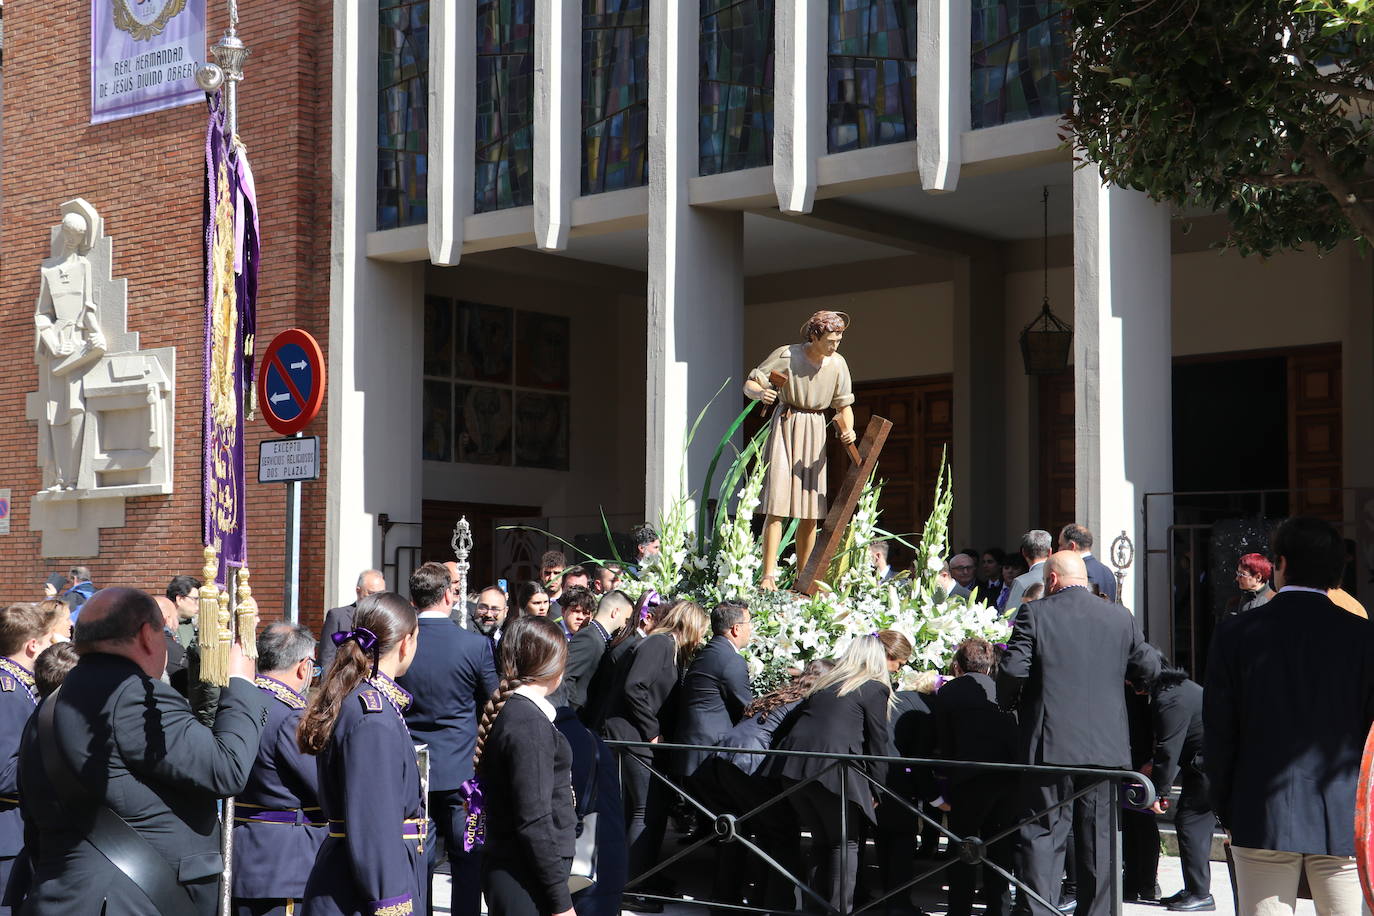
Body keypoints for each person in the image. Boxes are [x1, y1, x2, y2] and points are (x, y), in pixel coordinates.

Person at [16, 587, 265, 915]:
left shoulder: (50, 704)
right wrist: (241, 683)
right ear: (148, 635)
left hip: (64, 895)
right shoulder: (139, 696)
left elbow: (34, 817)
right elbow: (225, 769)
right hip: (133, 900)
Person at [1204, 517, 1374, 916]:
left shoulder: (1235, 633)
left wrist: (1227, 807)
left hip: (1262, 810)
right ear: (1338, 569)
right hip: (1343, 810)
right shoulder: (1364, 638)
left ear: (1279, 563)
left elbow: (1220, 731)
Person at [997, 551, 1160, 916]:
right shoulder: (1120, 616)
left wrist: (1008, 704)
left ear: (1051, 580)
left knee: (1042, 834)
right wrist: (1134, 685)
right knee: (1099, 839)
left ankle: (1038, 911)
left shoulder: (1035, 613)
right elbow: (1149, 667)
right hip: (1105, 748)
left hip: (1050, 744)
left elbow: (1013, 670)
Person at [298, 592, 427, 916]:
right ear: (406, 642)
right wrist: (390, 902)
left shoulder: (370, 701)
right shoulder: (374, 717)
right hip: (362, 891)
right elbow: (375, 822)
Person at [769, 630, 911, 913]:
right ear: (883, 658)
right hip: (831, 773)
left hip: (795, 769)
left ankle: (815, 909)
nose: (898, 669)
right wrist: (877, 790)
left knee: (823, 843)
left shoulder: (826, 682)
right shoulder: (874, 688)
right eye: (898, 662)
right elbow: (878, 745)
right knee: (844, 845)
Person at [395, 564, 499, 916]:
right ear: (448, 596)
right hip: (461, 767)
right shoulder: (474, 644)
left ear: (413, 599)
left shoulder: (400, 644)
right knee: (466, 857)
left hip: (413, 765)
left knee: (417, 856)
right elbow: (493, 701)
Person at [695, 660, 834, 911]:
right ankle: (777, 904)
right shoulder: (808, 701)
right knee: (784, 835)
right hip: (750, 762)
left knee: (761, 831)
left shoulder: (785, 692)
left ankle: (750, 900)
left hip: (727, 757)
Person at [602, 599, 710, 894]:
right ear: (689, 625)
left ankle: (643, 876)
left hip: (637, 738)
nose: (701, 638)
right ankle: (633, 887)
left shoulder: (669, 649)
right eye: (701, 631)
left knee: (647, 811)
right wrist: (652, 731)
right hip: (633, 738)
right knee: (642, 811)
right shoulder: (659, 644)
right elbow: (634, 687)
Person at [744, 310, 857, 590]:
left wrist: (849, 428)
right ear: (814, 335)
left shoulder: (838, 364)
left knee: (810, 508)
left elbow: (844, 405)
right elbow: (751, 383)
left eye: (839, 340)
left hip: (815, 429)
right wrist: (761, 393)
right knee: (777, 504)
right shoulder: (787, 355)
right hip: (787, 424)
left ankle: (803, 576)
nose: (835, 346)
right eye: (830, 340)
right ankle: (768, 575)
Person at [472, 616, 577, 916]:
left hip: (520, 869)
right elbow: (534, 820)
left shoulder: (519, 711)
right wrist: (561, 902)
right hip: (524, 875)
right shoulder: (528, 722)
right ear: (552, 665)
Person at [232, 622, 327, 916]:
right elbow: (324, 788)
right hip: (284, 864)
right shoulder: (290, 716)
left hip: (243, 851)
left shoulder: (238, 701)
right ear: (304, 667)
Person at [935, 638, 1019, 916]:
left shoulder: (950, 691)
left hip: (968, 777)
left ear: (958, 665)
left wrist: (944, 776)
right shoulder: (1001, 690)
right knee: (1000, 846)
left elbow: (944, 740)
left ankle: (959, 909)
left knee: (963, 847)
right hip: (1005, 777)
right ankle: (999, 909)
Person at [0, 603, 65, 910]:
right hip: (7, 833)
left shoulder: (16, 685)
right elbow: (3, 772)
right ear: (32, 645)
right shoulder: (8, 691)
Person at [1138, 663, 1211, 912]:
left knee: (1191, 822)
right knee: (1191, 822)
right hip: (1205, 763)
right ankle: (1195, 888)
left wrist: (1160, 792)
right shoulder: (1179, 689)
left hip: (1207, 764)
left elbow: (1169, 749)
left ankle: (1200, 892)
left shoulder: (1170, 699)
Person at [674, 600, 753, 780]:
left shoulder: (707, 652)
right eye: (749, 623)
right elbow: (747, 707)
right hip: (706, 754)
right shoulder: (731, 659)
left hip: (690, 748)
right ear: (736, 628)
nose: (751, 629)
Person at [554, 590, 633, 716]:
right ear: (616, 612)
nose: (625, 624)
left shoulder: (598, 636)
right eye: (626, 619)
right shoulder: (589, 637)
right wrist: (572, 712)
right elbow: (565, 676)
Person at [317, 569, 387, 672]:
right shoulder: (338, 616)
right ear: (358, 590)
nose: (376, 598)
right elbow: (326, 658)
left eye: (381, 594)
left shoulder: (387, 619)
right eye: (372, 593)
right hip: (343, 682)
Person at [1058, 524, 1117, 602]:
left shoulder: (1079, 572)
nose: (1059, 550)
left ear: (1072, 546)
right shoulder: (1106, 570)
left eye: (1061, 545)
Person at [1005, 530, 1052, 613]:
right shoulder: (1062, 577)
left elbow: (1009, 618)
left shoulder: (1021, 582)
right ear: (1050, 552)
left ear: (1023, 552)